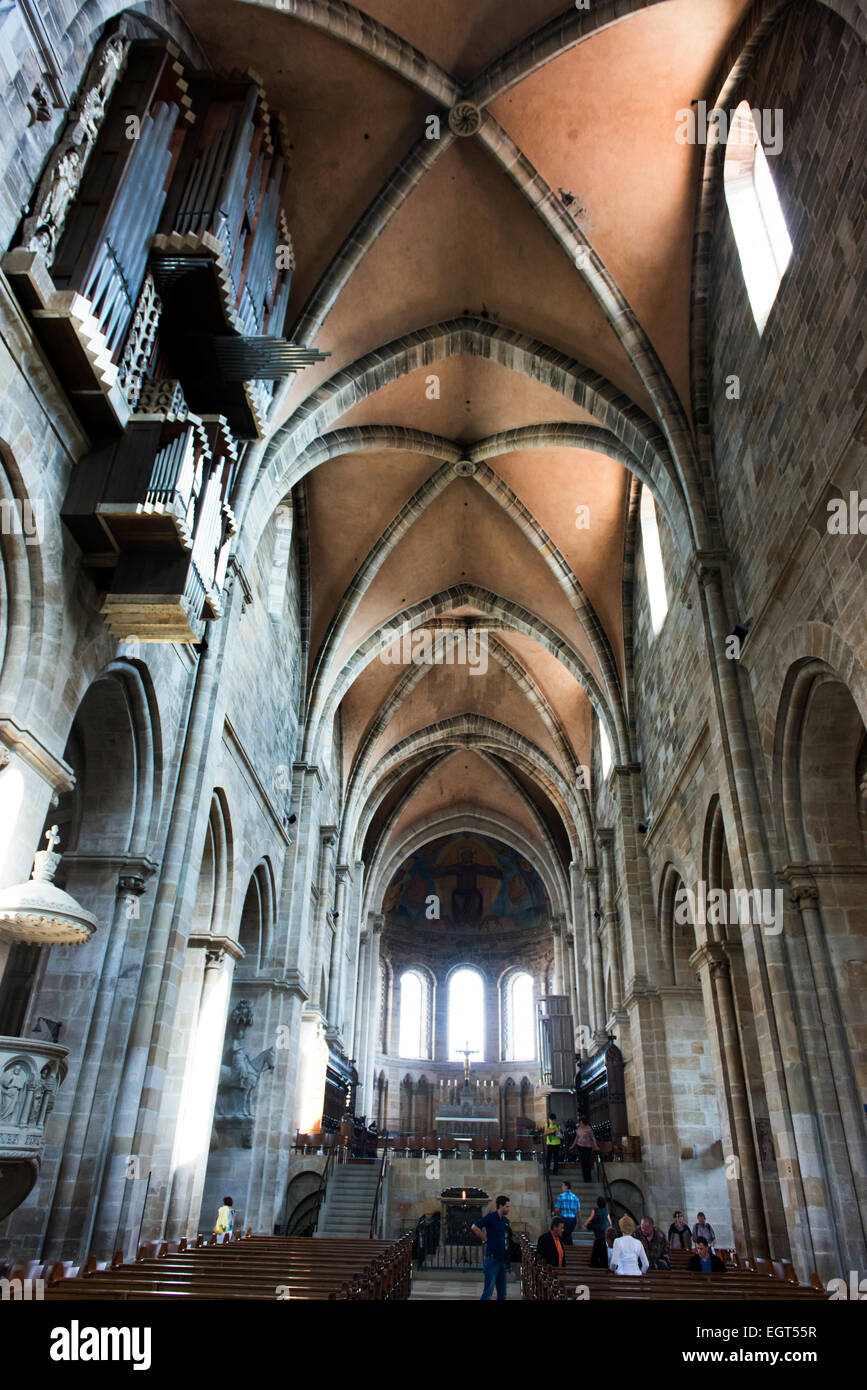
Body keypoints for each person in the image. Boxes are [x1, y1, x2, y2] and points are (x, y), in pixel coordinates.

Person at [471, 1194, 512, 1301]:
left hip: (501, 1259)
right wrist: (484, 1238)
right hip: (492, 1259)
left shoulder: (504, 1220)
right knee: (488, 1291)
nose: (508, 1209)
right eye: (507, 1207)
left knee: (502, 1292)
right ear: (501, 1206)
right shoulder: (491, 1217)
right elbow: (474, 1227)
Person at [583, 1196, 612, 1267]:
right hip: (604, 1231)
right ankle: (603, 1263)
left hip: (597, 1230)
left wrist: (585, 1224)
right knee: (603, 1247)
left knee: (597, 1246)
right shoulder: (606, 1211)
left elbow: (591, 1218)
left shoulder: (595, 1210)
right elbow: (610, 1223)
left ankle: (594, 1263)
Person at [569, 1116, 599, 1183]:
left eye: (581, 1123)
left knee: (587, 1161)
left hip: (587, 1147)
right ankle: (585, 1177)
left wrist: (596, 1146)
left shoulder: (588, 1129)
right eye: (579, 1123)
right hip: (580, 1146)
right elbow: (576, 1138)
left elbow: (593, 1138)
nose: (580, 1124)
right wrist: (572, 1146)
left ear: (584, 1123)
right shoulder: (579, 1129)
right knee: (583, 1162)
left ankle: (589, 1177)